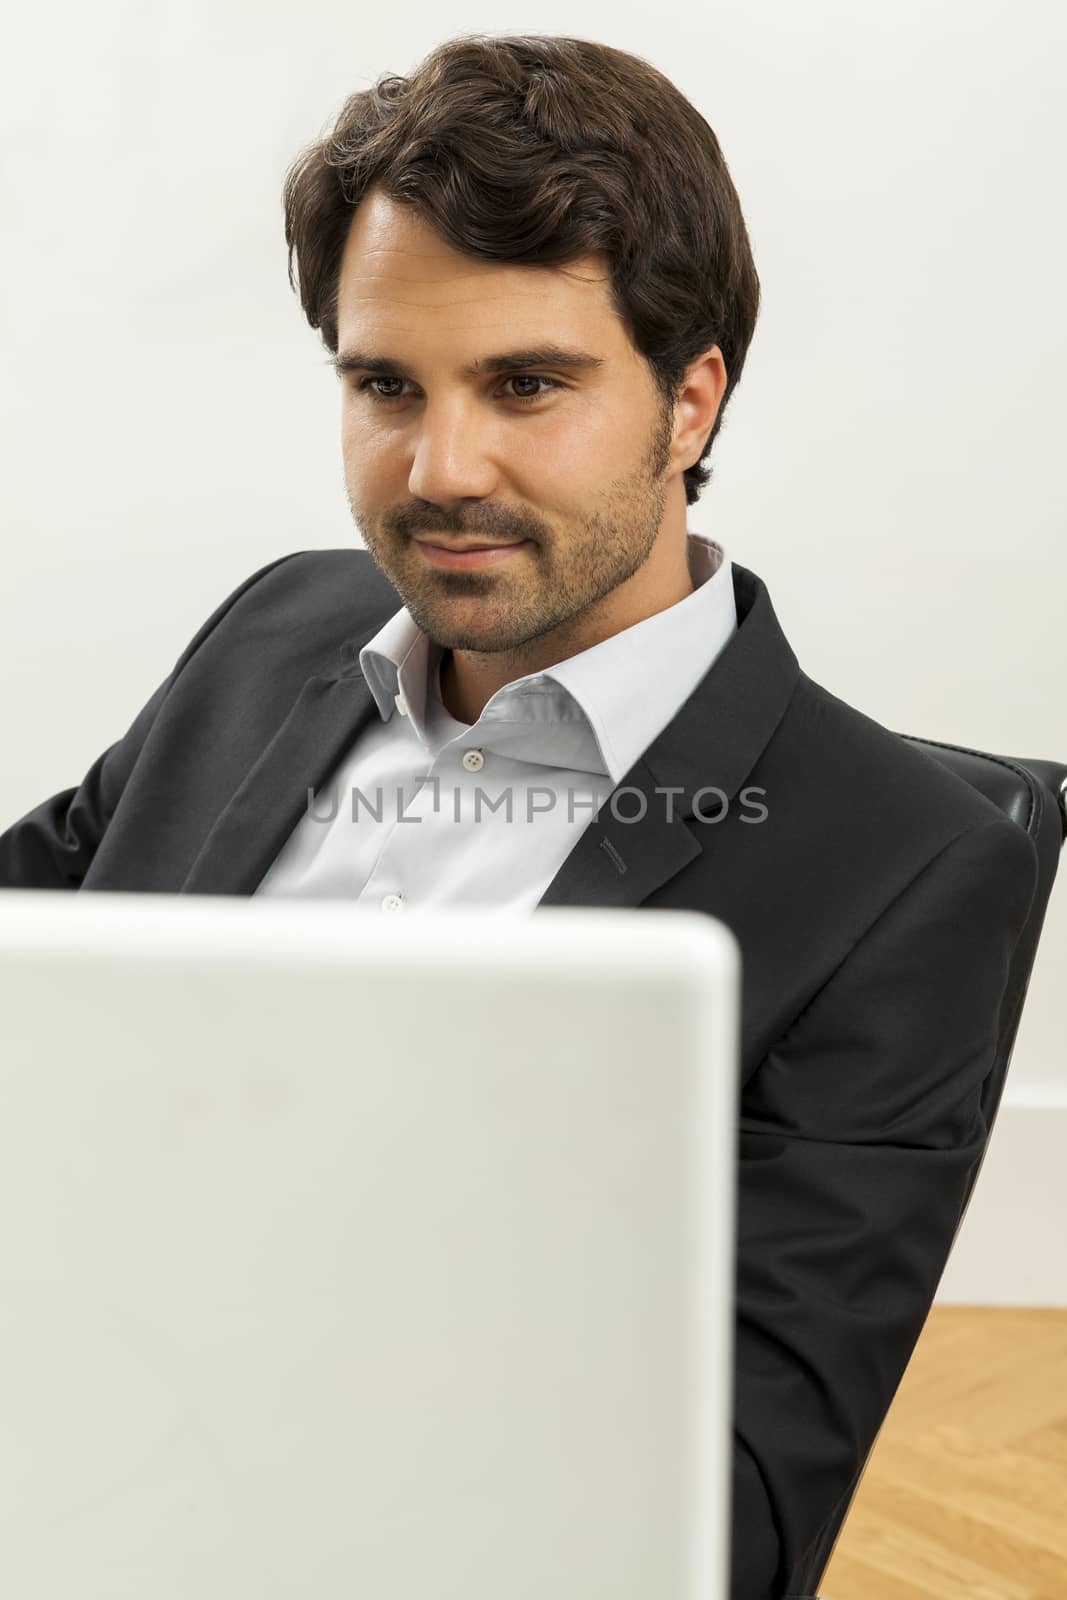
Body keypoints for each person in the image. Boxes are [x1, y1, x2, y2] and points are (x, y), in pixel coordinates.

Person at [0, 33, 1038, 1599]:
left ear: (691, 400)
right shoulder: (279, 627)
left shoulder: (900, 871)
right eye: (383, 386)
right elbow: (44, 920)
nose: (442, 467)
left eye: (528, 385)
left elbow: (732, 1526)